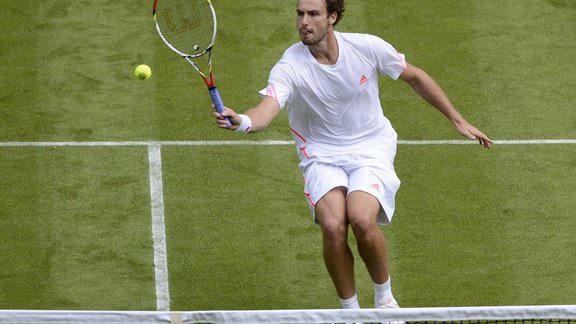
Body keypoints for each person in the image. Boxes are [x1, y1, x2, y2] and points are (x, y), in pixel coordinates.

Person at [213, 0, 493, 309]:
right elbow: (266, 111)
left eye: (313, 14)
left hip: (371, 149)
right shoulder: (289, 66)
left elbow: (415, 76)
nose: (304, 21)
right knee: (333, 227)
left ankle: (385, 301)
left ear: (332, 17)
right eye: (300, 14)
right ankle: (350, 313)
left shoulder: (367, 47)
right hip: (321, 155)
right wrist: (245, 122)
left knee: (361, 219)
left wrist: (457, 119)